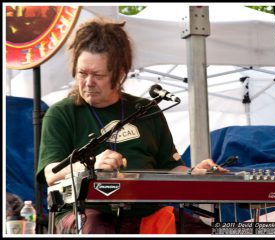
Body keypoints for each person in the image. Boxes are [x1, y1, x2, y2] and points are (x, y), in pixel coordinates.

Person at [36, 17, 228, 234]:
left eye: (98, 75)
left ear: (119, 74)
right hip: (87, 213)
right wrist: (90, 165)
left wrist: (195, 173)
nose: (88, 83)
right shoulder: (62, 113)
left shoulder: (146, 109)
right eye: (82, 73)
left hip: (147, 212)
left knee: (209, 231)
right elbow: (51, 173)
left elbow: (170, 167)